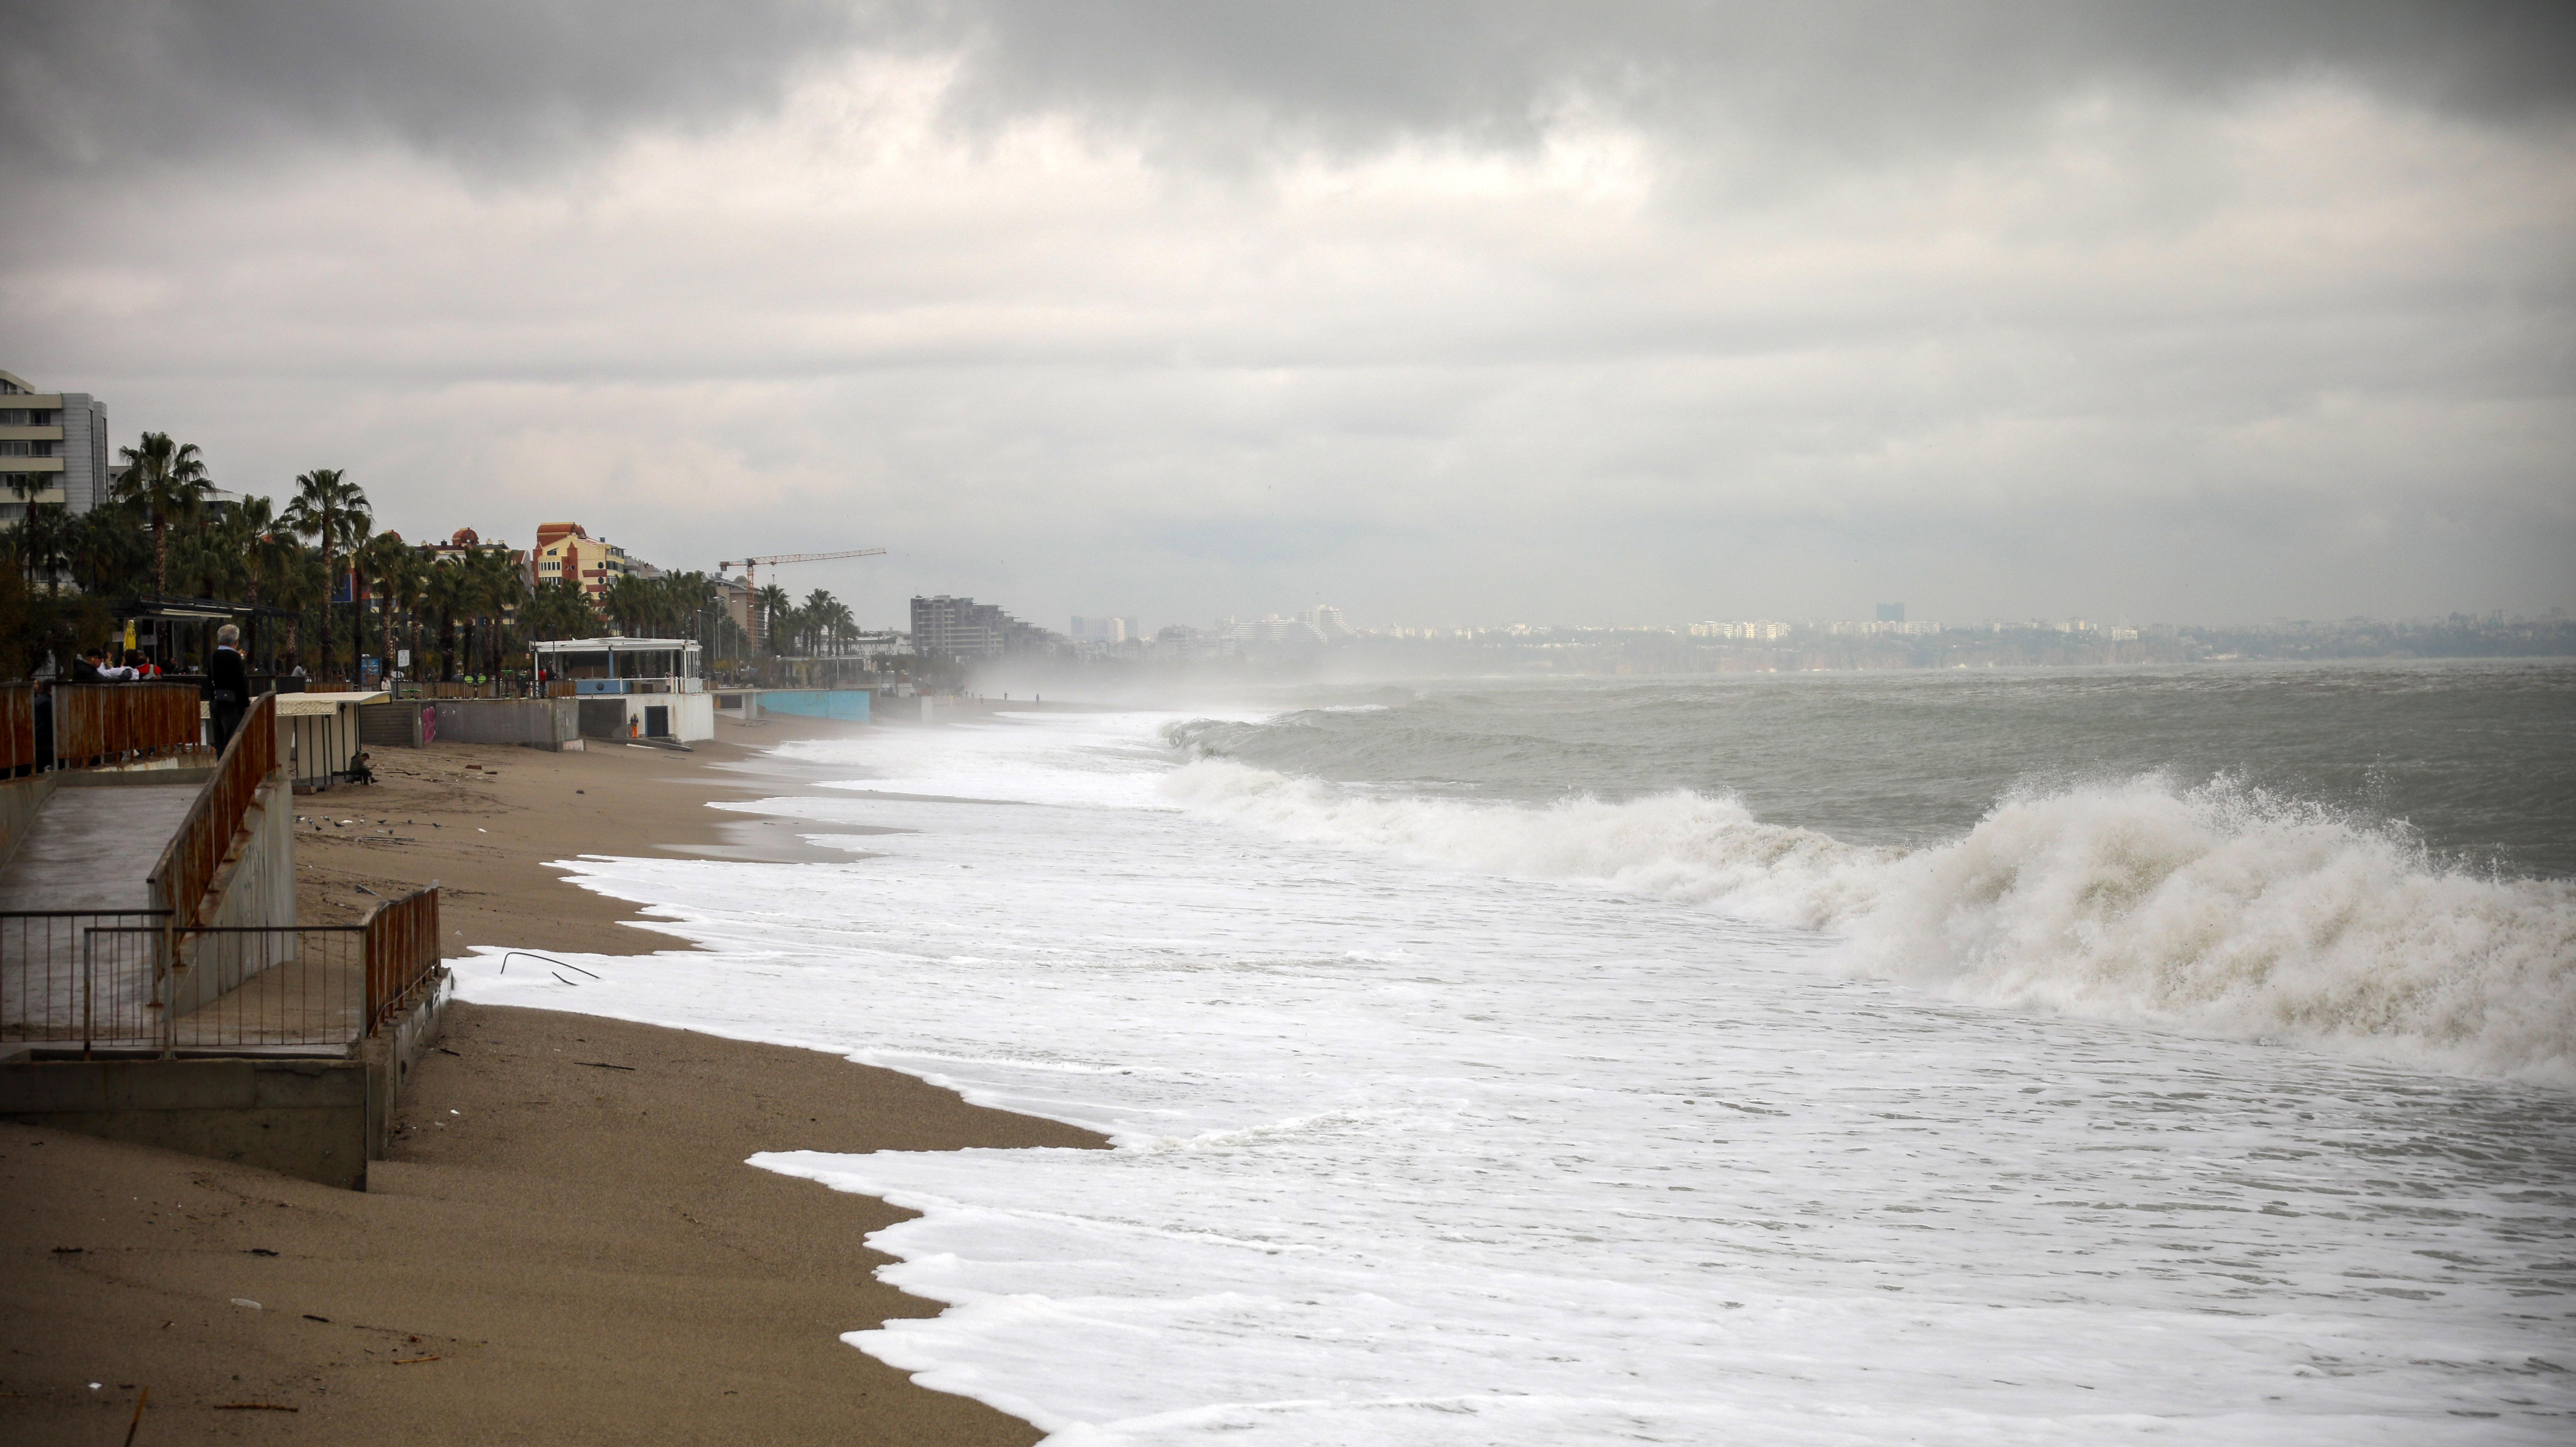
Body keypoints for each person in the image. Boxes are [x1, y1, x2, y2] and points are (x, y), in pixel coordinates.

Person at [208, 623, 250, 753]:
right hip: (233, 704)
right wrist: (246, 704)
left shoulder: (213, 656)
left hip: (216, 701)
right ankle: (232, 770)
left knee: (220, 739)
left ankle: (221, 768)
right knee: (233, 739)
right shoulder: (236, 658)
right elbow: (241, 683)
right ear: (236, 642)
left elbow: (209, 679)